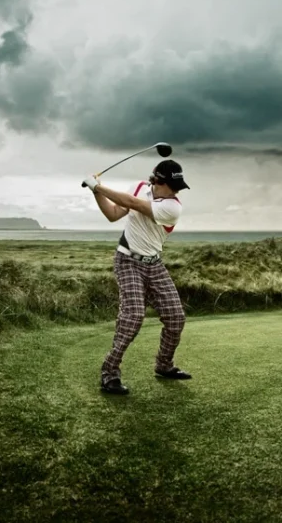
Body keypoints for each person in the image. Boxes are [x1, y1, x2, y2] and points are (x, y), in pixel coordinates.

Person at [82, 159, 192, 395]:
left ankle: (164, 365)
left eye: (178, 187)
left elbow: (132, 203)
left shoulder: (172, 208)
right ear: (157, 181)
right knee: (132, 318)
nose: (175, 192)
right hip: (127, 261)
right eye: (172, 186)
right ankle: (109, 373)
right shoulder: (141, 187)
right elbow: (113, 213)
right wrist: (96, 191)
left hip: (154, 264)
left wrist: (97, 186)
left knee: (176, 318)